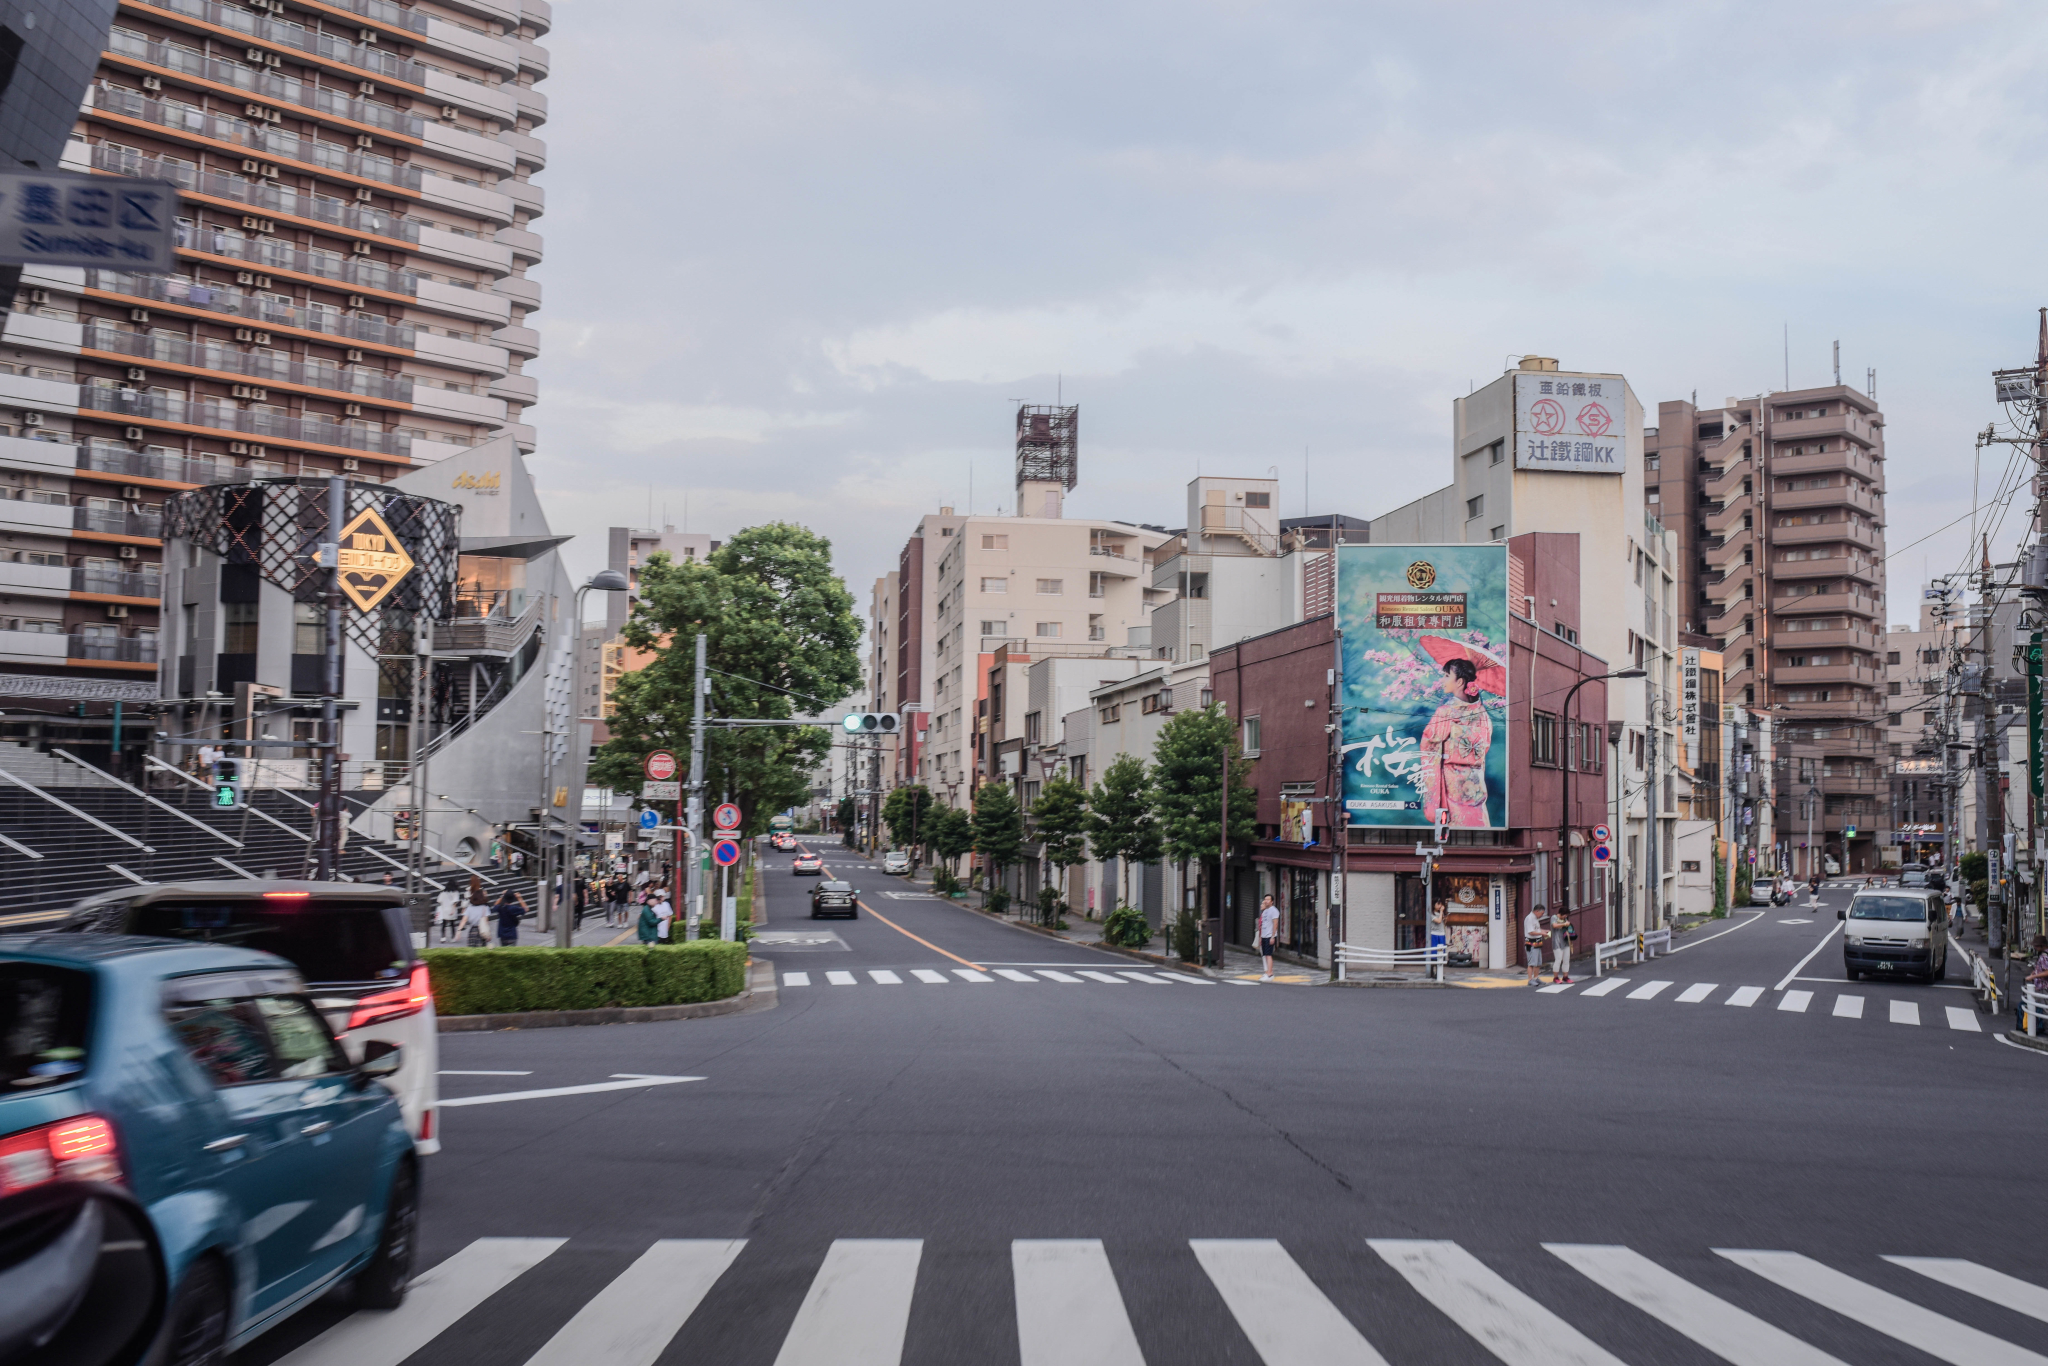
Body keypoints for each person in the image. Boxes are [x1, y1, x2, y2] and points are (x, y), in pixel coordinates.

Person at [1414, 638, 1506, 828]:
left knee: (1453, 831)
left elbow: (1428, 745)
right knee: (1477, 825)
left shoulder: (1446, 712)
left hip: (1452, 783)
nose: (1443, 680)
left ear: (1460, 681)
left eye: (1447, 676)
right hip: (1475, 783)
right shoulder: (1482, 715)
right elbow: (1484, 747)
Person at [1256, 894, 1279, 980]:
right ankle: (1267, 972)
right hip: (1264, 935)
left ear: (1272, 901)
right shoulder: (1265, 911)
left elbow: (1275, 924)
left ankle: (1270, 973)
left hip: (1270, 935)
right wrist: (1261, 937)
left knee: (1269, 955)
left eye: (1268, 900)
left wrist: (1273, 936)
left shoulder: (1274, 910)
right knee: (1265, 955)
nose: (1266, 901)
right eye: (1265, 899)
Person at [1549, 907, 1574, 985]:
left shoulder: (1565, 920)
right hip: (1557, 942)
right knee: (1558, 960)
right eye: (1565, 915)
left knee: (1566, 959)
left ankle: (1565, 976)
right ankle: (1555, 977)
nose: (1565, 917)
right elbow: (1554, 925)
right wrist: (1564, 924)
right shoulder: (1554, 917)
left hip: (1566, 942)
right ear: (1561, 914)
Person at [1524, 905, 1546, 985]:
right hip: (1531, 943)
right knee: (1531, 963)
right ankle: (1530, 979)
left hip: (1537, 942)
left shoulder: (1535, 919)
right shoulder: (1529, 918)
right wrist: (1541, 933)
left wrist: (1544, 931)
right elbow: (1531, 932)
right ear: (1537, 911)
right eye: (1542, 913)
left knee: (1538, 962)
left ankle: (1536, 977)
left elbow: (1536, 929)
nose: (1542, 915)